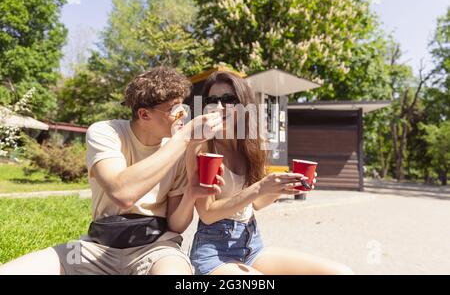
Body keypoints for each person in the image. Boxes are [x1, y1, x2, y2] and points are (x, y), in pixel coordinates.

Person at [0, 66, 225, 275]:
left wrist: (191, 194)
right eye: (175, 110)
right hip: (96, 247)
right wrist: (185, 138)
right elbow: (122, 192)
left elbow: (176, 225)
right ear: (144, 115)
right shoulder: (105, 132)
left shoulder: (177, 148)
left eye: (183, 107)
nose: (184, 115)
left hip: (156, 248)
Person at [187, 71, 355, 275]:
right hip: (213, 250)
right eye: (212, 100)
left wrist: (283, 187)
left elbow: (257, 203)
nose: (219, 107)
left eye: (228, 99)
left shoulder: (251, 144)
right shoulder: (202, 147)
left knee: (342, 272)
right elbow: (207, 213)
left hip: (251, 244)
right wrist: (259, 188)